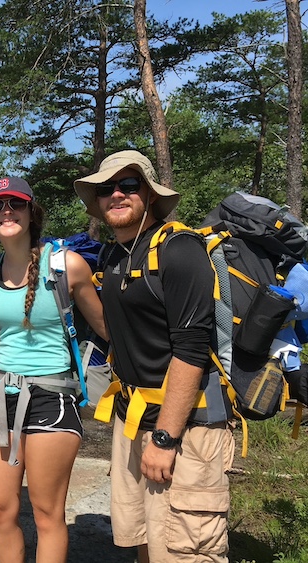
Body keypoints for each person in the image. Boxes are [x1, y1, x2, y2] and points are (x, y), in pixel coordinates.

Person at [74, 150, 235, 562]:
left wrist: (165, 438)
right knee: (144, 540)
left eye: (128, 186)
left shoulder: (179, 250)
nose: (117, 195)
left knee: (183, 551)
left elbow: (191, 350)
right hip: (133, 420)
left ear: (149, 193)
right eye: (107, 188)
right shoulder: (114, 258)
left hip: (184, 427)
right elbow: (115, 332)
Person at [0, 177, 107, 562]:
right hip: (0, 398)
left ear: (32, 211)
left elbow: (106, 329)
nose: (6, 212)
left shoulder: (66, 265)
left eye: (15, 203)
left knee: (47, 514)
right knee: (0, 512)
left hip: (52, 399)